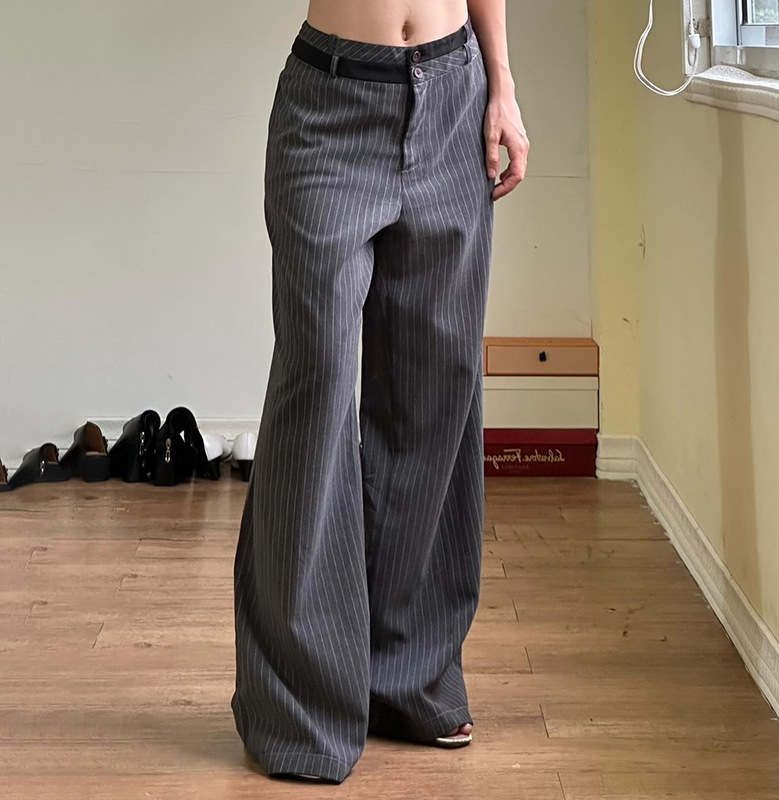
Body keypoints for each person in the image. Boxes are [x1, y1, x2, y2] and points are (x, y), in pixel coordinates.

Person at [231, 0, 528, 784]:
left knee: (435, 386)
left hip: (454, 95)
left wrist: (502, 86)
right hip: (331, 104)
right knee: (318, 384)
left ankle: (409, 675)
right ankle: (298, 703)